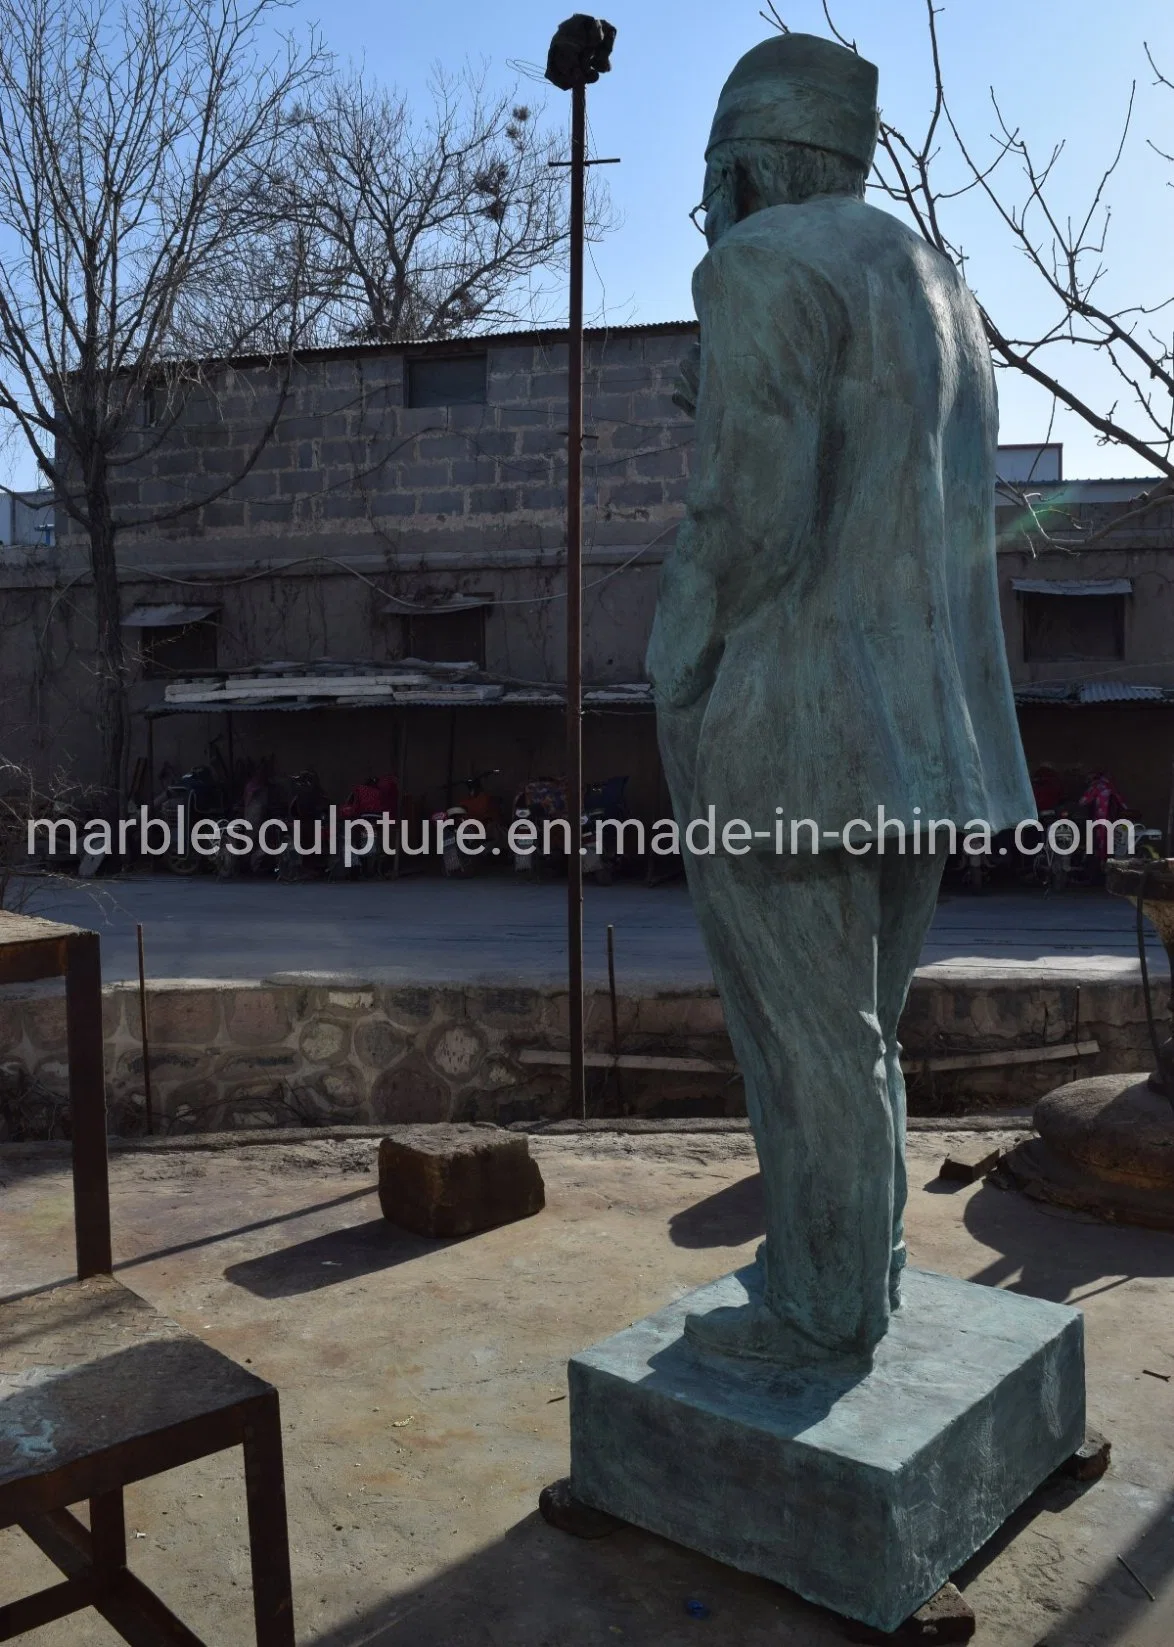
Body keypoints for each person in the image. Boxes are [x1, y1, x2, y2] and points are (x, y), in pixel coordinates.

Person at [647, 33, 1035, 1370]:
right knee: (858, 1035)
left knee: (807, 1038)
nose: (711, 202)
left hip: (790, 735)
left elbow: (747, 518)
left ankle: (821, 1307)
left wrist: (676, 654)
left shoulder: (754, 263)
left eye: (713, 170)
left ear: (750, 156)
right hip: (924, 744)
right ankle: (849, 1268)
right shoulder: (935, 280)